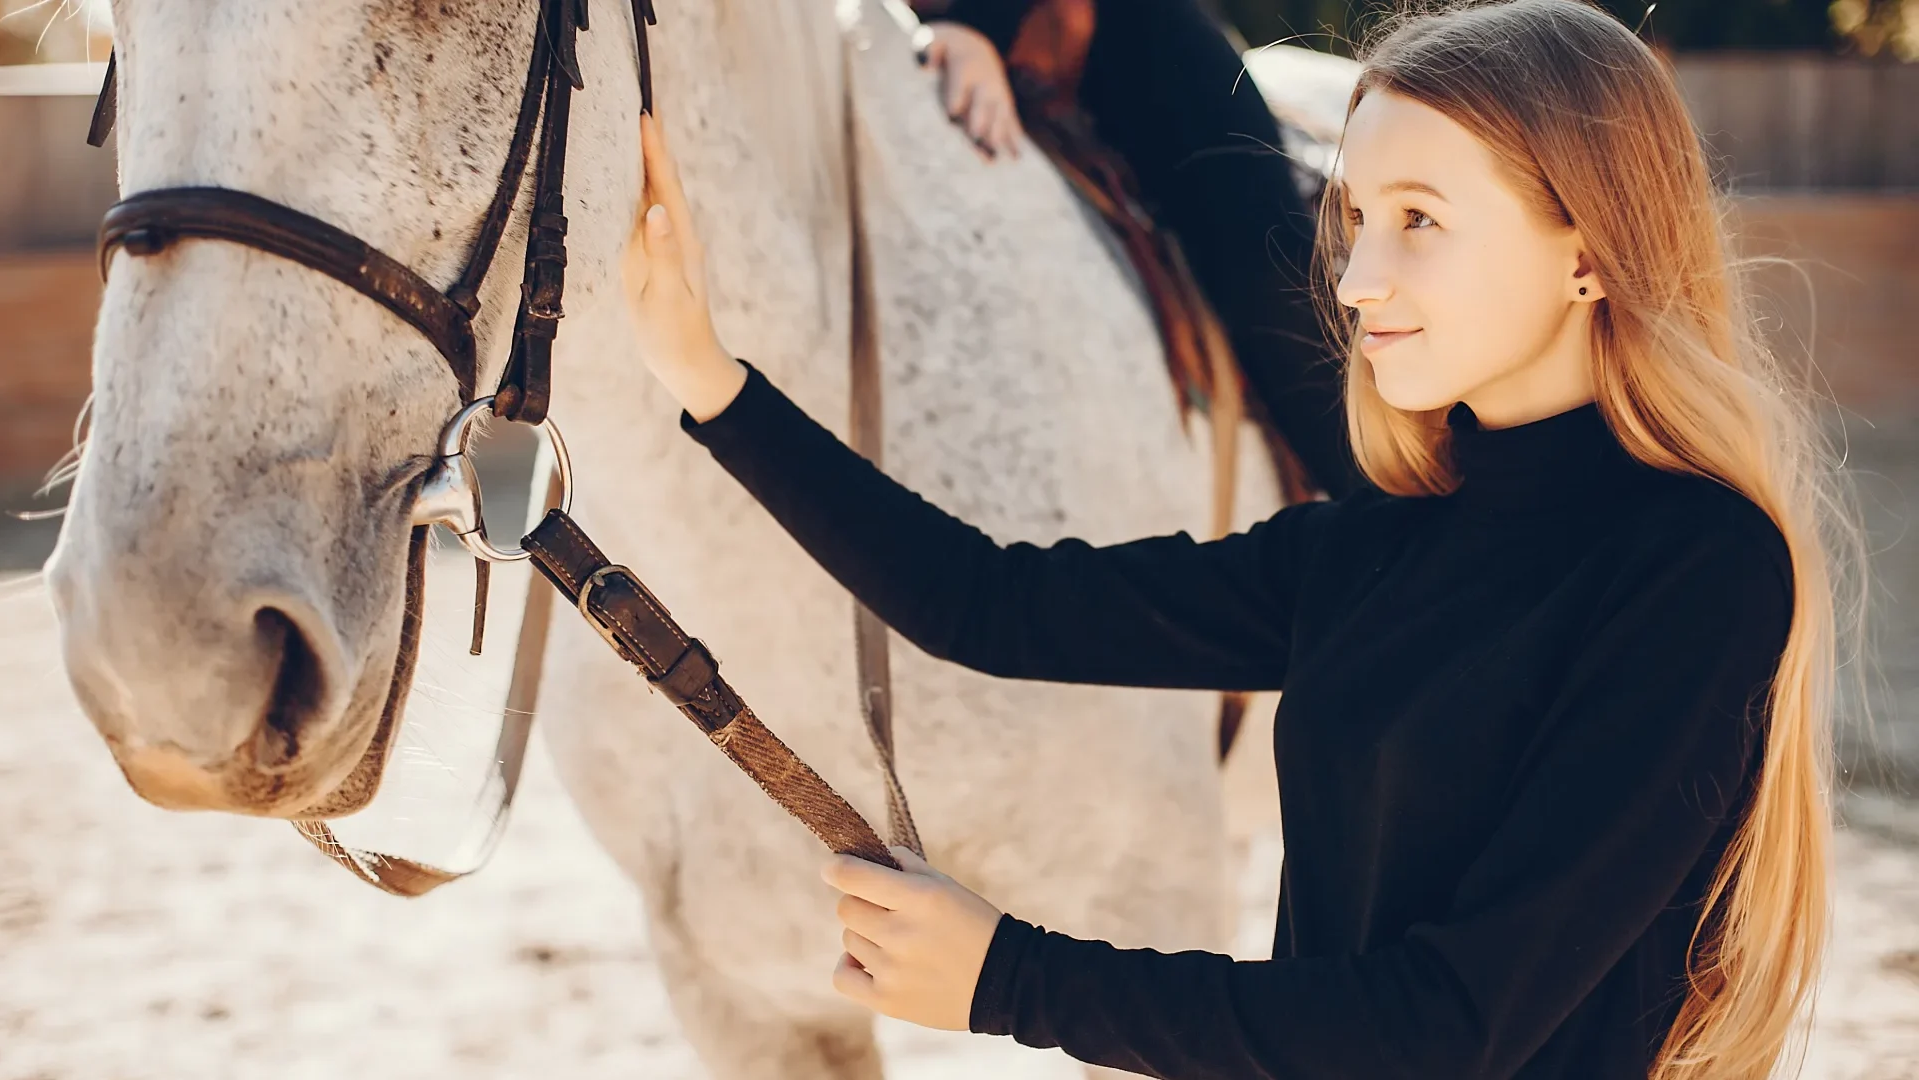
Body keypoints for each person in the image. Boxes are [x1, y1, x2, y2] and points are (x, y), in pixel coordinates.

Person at [621, 1, 1858, 1076]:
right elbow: (983, 607)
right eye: (1357, 218)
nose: (1360, 278)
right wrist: (710, 379)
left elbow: (1450, 1027)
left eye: (1419, 220)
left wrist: (1011, 980)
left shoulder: (1699, 568)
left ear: (1588, 251)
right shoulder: (1371, 545)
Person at [921, 0, 1367, 498]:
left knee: (1273, 288)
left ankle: (1390, 528)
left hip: (1131, 47)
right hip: (912, 42)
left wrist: (977, 26)